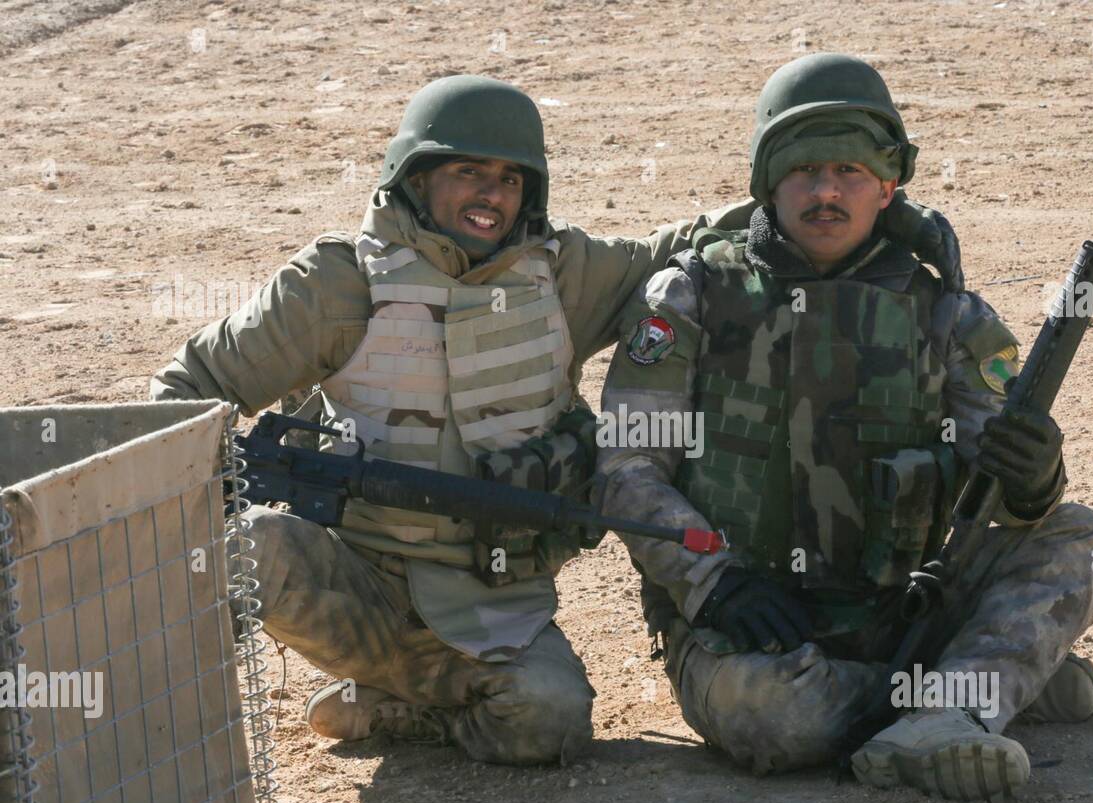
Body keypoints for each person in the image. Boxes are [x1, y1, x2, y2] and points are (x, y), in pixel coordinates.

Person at [151, 73, 960, 767]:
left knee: (548, 723)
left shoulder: (561, 275)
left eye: (510, 179)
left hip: (487, 605)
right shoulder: (337, 284)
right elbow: (192, 386)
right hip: (349, 578)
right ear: (415, 176)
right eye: (468, 172)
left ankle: (401, 705)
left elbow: (689, 243)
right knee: (243, 553)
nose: (490, 195)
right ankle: (159, 745)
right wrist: (177, 493)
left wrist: (874, 210)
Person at [595, 53, 1093, 800]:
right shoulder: (691, 295)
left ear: (888, 184)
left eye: (849, 169)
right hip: (751, 625)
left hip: (900, 603)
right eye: (803, 170)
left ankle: (944, 711)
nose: (826, 191)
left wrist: (1034, 480)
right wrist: (715, 584)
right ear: (768, 184)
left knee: (1085, 541)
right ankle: (973, 694)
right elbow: (626, 472)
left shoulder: (946, 316)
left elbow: (995, 501)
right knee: (769, 718)